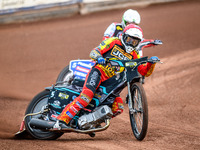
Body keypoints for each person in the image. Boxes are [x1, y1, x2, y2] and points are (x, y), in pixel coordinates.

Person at [57, 24, 160, 125]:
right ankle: (61, 120)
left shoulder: (134, 54)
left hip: (111, 83)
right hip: (98, 73)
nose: (131, 43)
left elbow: (144, 72)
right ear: (124, 36)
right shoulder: (113, 41)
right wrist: (99, 57)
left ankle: (91, 122)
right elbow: (94, 52)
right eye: (129, 40)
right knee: (85, 97)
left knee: (118, 108)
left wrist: (151, 64)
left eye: (135, 42)